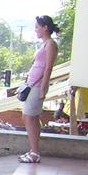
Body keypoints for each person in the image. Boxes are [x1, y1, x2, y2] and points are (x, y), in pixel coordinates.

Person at [18, 15, 59, 164]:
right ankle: (33, 150)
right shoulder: (44, 44)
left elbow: (48, 68)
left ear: (45, 27)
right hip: (31, 84)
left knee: (29, 117)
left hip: (37, 85)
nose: (35, 30)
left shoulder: (51, 44)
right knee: (29, 117)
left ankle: (35, 152)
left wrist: (43, 88)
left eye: (37, 27)